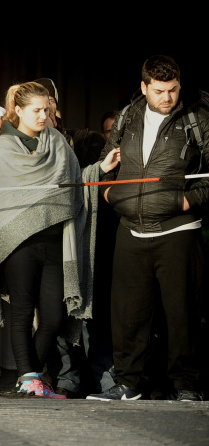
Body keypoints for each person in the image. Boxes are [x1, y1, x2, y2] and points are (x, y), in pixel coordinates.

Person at [0, 82, 119, 398]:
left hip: (55, 242)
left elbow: (73, 183)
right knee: (23, 312)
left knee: (54, 317)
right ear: (20, 111)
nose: (43, 115)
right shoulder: (2, 149)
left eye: (47, 110)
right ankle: (30, 379)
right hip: (18, 243)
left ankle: (29, 378)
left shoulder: (58, 142)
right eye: (36, 110)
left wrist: (98, 170)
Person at [88, 56, 208, 402]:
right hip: (131, 229)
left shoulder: (197, 118)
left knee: (182, 314)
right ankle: (128, 383)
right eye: (159, 91)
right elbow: (106, 164)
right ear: (144, 87)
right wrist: (110, 191)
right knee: (127, 314)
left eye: (172, 89)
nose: (167, 97)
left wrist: (188, 202)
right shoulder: (127, 116)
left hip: (178, 230)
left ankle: (186, 385)